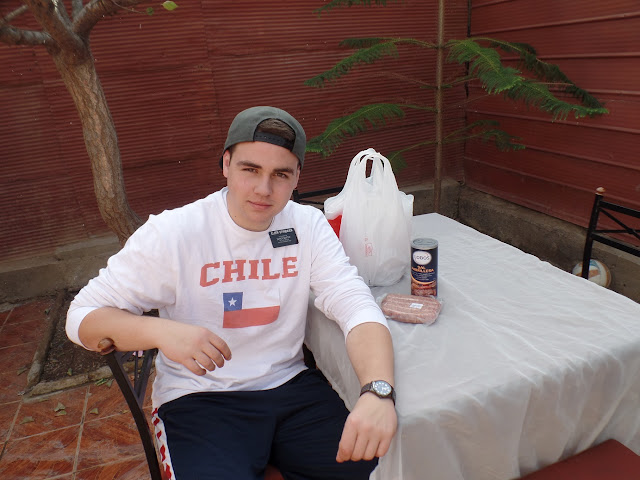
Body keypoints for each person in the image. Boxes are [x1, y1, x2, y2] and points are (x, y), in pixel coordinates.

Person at [66, 106, 397, 479]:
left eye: (280, 174)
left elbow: (356, 305)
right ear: (225, 164)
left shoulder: (307, 225)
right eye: (250, 169)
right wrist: (161, 332)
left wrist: (378, 392)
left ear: (297, 178)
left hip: (290, 386)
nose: (263, 189)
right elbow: (81, 318)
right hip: (200, 400)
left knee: (382, 466)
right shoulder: (175, 232)